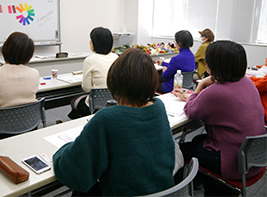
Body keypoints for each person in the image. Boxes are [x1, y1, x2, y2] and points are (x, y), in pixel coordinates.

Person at [53, 48, 177, 196]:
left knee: (79, 192)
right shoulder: (158, 107)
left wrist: (62, 150)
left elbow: (73, 172)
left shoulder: (107, 118)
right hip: (162, 191)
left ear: (113, 80)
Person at [173, 40, 265, 196]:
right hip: (255, 158)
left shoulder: (217, 91)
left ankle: (194, 187)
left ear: (214, 65)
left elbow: (190, 110)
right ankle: (206, 182)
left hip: (235, 164)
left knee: (183, 150)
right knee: (197, 141)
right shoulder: (247, 82)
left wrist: (201, 85)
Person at [68, 27, 118, 119]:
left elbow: (87, 88)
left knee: (74, 100)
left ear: (94, 43)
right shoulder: (116, 57)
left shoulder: (90, 60)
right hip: (114, 102)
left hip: (94, 107)